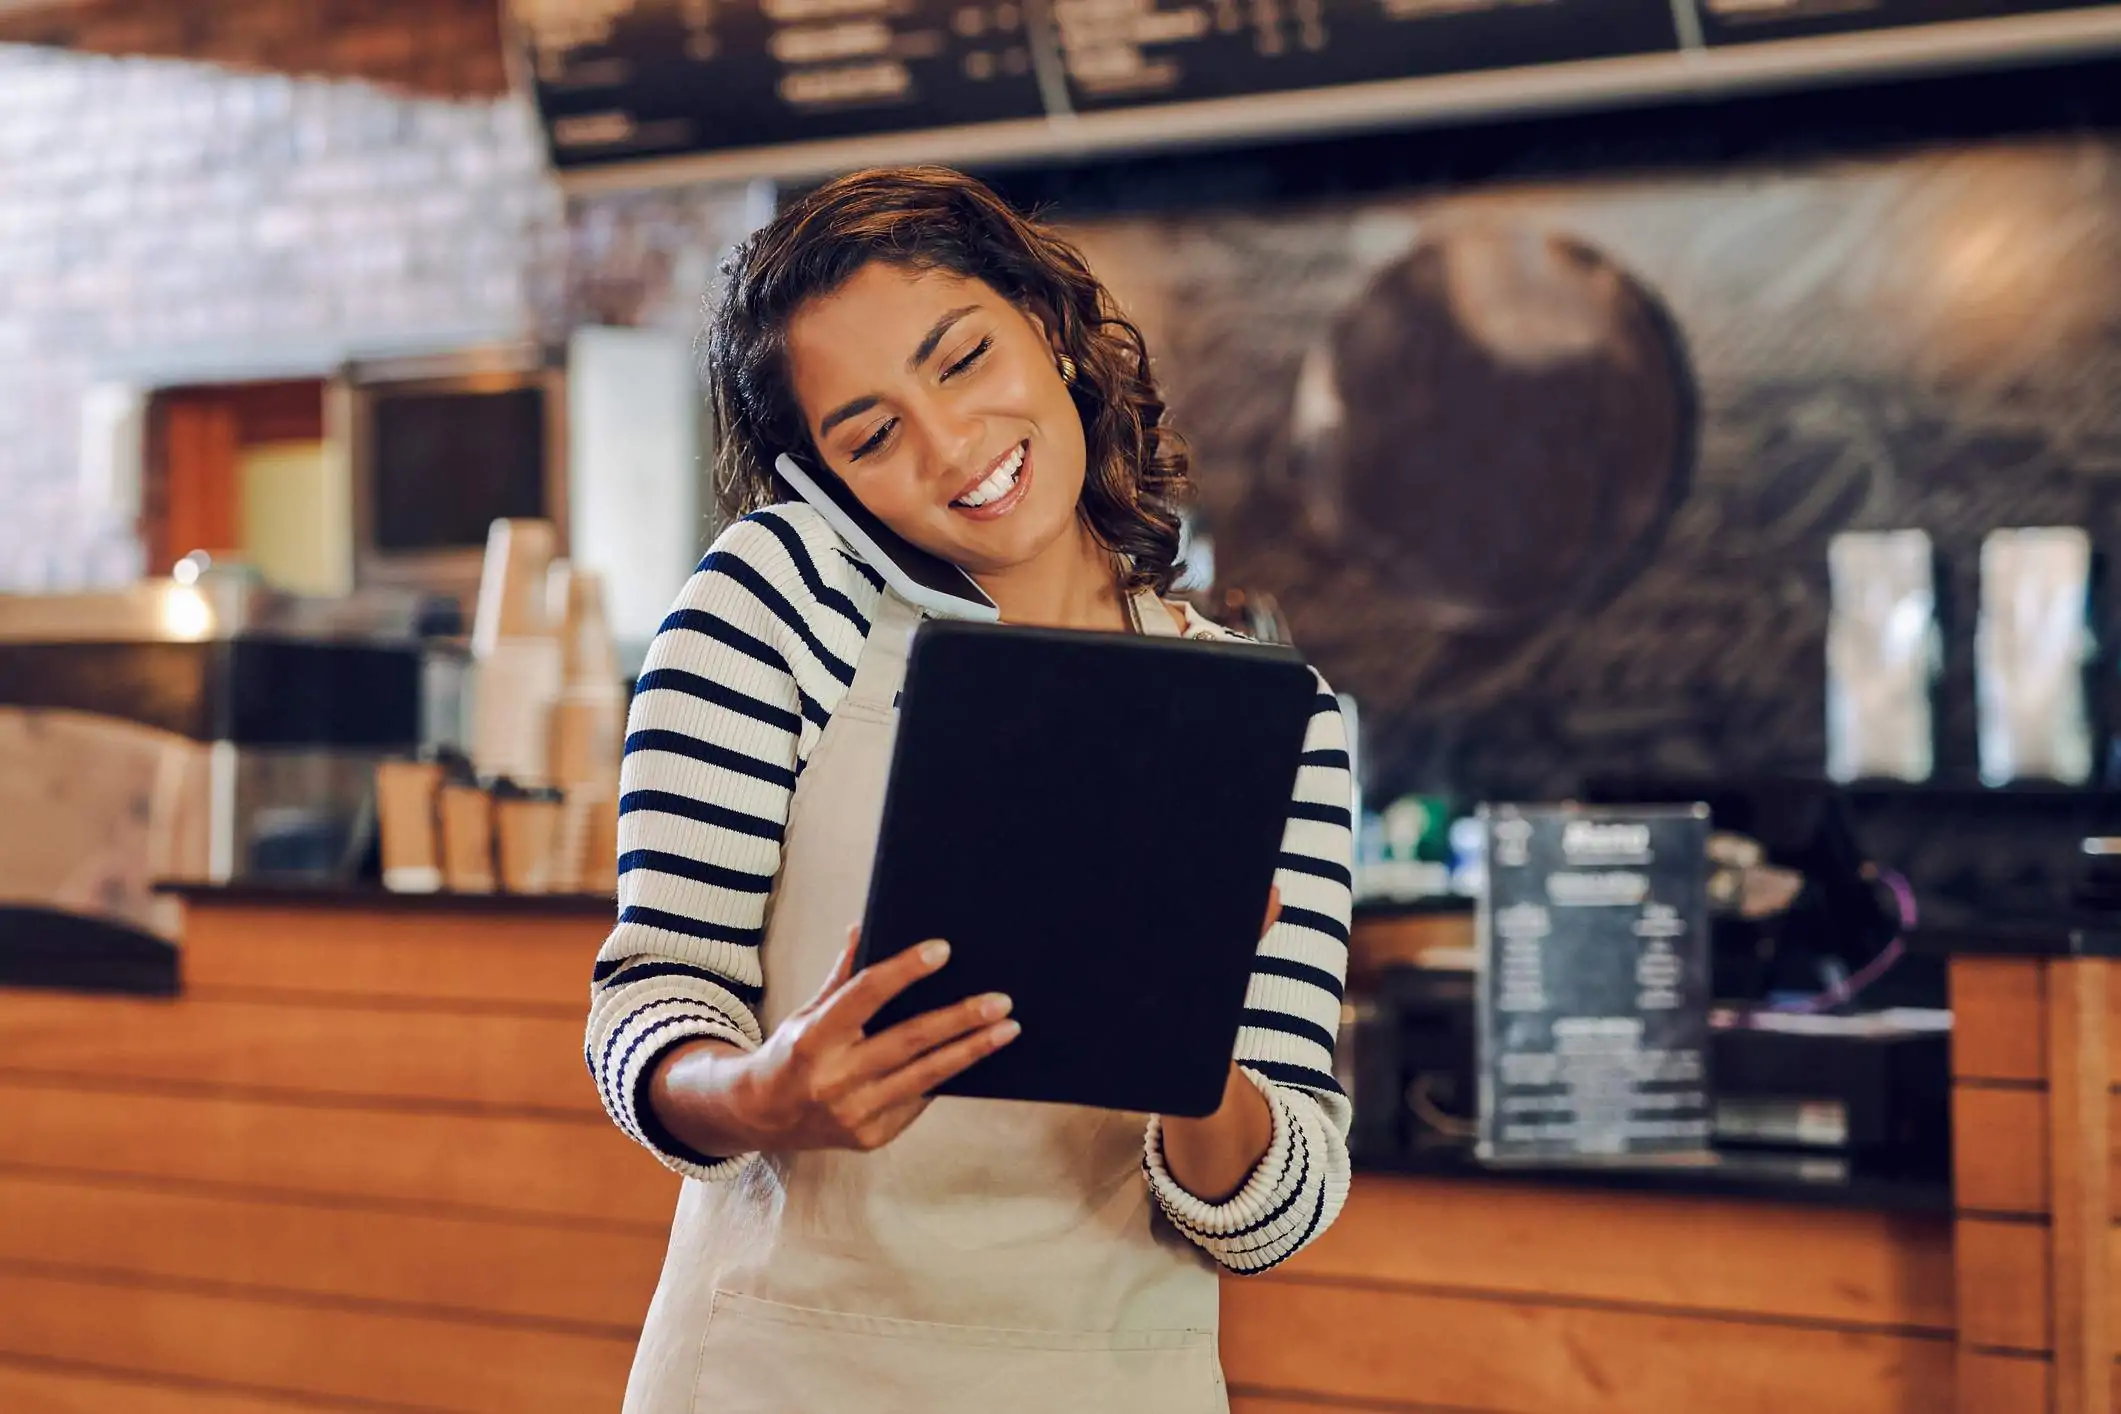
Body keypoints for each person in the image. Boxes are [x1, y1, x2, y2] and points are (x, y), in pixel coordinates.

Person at [584, 165, 1354, 1414]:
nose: (951, 447)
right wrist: (759, 1092)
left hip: (1107, 1380)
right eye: (871, 432)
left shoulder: (1273, 721)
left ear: (1045, 326)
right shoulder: (773, 603)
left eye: (961, 359)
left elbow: (1277, 1212)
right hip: (782, 1369)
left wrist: (1188, 1040)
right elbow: (649, 997)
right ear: (825, 474)